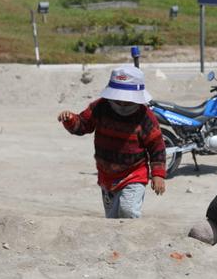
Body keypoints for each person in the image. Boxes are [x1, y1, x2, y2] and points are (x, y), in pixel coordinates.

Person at [58, 66, 166, 219]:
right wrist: (70, 120)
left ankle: (131, 233)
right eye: (118, 101)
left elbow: (157, 147)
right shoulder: (100, 107)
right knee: (112, 218)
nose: (122, 105)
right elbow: (83, 125)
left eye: (127, 102)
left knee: (127, 211)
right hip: (107, 176)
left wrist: (158, 174)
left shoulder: (145, 117)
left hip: (134, 174)